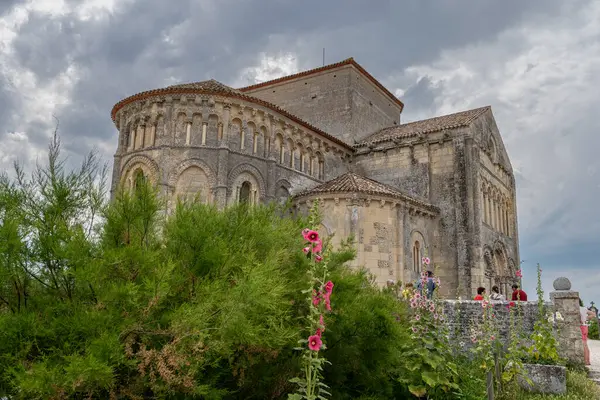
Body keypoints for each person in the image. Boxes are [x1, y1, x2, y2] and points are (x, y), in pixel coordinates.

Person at [580, 298, 593, 365]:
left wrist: (584, 319)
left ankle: (586, 361)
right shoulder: (583, 308)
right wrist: (586, 318)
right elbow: (593, 314)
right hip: (585, 326)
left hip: (581, 327)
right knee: (585, 344)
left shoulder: (578, 309)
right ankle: (587, 360)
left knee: (584, 344)